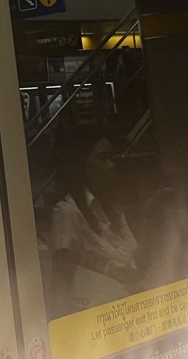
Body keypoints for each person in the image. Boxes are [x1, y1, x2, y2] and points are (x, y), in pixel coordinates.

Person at [47, 129, 139, 313]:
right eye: (103, 159)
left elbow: (133, 256)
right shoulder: (68, 213)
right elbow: (62, 282)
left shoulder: (112, 211)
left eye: (112, 158)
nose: (111, 166)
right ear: (82, 163)